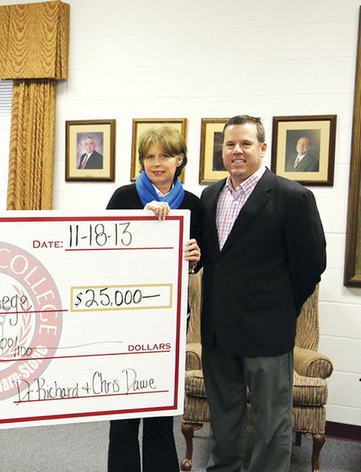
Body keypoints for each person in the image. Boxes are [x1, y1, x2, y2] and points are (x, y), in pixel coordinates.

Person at [200, 115, 326, 472]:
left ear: (263, 148)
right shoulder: (211, 196)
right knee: (223, 425)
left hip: (267, 333)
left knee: (271, 426)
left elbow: (311, 265)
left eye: (246, 144)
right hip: (218, 333)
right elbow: (212, 261)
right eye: (230, 144)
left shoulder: (292, 197)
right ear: (222, 150)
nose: (237, 151)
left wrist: (280, 309)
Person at [105, 127, 202, 472]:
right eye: (149, 156)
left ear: (179, 160)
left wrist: (195, 254)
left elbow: (200, 259)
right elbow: (103, 252)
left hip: (169, 320)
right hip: (126, 318)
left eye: (164, 156)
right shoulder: (123, 197)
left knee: (161, 411)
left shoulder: (193, 204)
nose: (156, 163)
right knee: (123, 414)